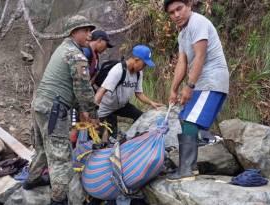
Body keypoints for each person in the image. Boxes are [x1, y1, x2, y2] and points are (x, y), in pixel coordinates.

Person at [23, 15, 98, 205]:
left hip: (40, 104)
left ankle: (31, 181)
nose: (90, 34)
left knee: (42, 146)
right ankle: (58, 199)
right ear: (74, 32)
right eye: (86, 30)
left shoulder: (62, 48)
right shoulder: (76, 55)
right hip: (54, 109)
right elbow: (83, 89)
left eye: (90, 30)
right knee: (60, 156)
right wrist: (92, 112)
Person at [164, 0, 229, 181]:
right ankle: (190, 168)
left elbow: (200, 56)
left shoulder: (197, 22)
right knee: (184, 117)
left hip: (211, 79)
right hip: (200, 81)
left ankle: (185, 170)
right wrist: (173, 90)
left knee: (191, 119)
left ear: (189, 6)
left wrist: (189, 86)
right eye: (171, 12)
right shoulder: (182, 34)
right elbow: (182, 63)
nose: (176, 15)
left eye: (179, 9)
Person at [94, 45, 163, 141]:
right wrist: (93, 113)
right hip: (105, 108)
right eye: (144, 64)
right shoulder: (118, 70)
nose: (144, 67)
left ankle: (134, 142)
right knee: (104, 137)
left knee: (141, 117)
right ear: (136, 59)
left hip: (121, 106)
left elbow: (139, 93)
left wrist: (151, 103)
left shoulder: (139, 73)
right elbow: (101, 91)